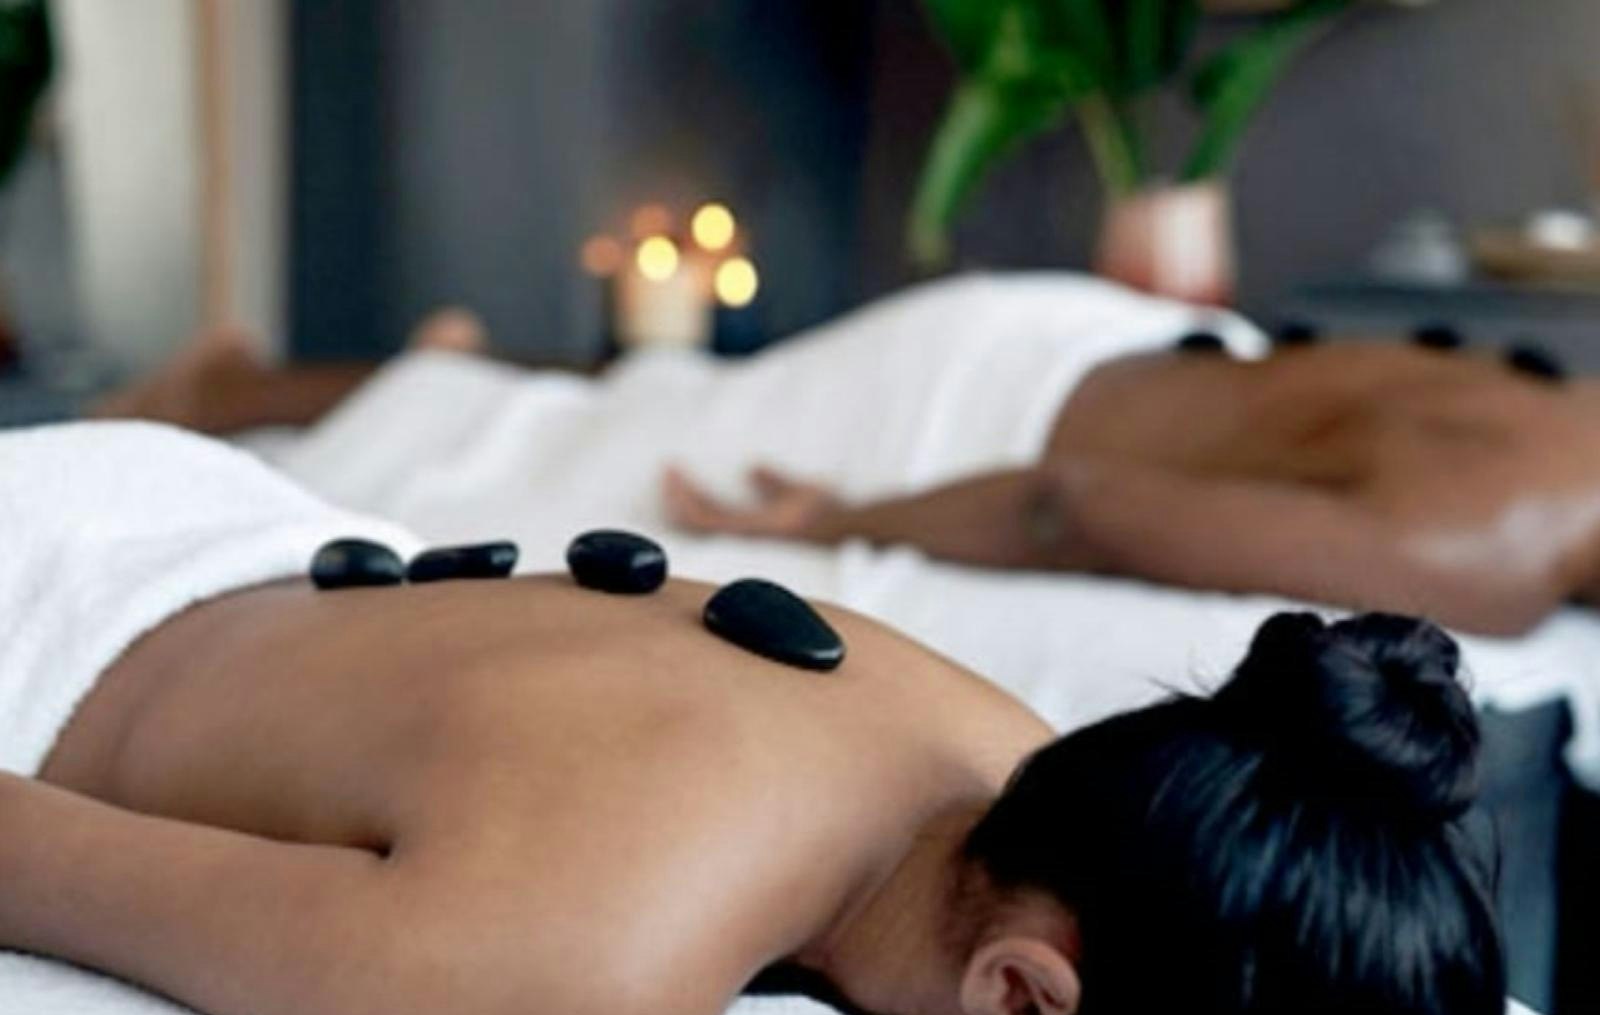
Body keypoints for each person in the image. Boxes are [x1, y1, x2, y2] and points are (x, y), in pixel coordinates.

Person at [0, 421, 1504, 1015]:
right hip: (44, 593)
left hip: (208, 499)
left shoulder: (1047, 772)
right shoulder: (590, 976)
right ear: (1021, 993)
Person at [94, 277, 1600, 639]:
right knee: (597, 459)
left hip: (1084, 336)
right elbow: (1067, 506)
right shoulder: (1495, 556)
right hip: (979, 421)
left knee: (649, 400)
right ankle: (249, 393)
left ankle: (295, 379)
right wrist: (845, 517)